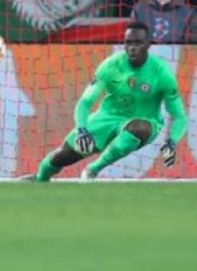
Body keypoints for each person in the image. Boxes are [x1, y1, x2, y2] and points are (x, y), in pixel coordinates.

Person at [30, 22, 186, 181]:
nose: (132, 47)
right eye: (128, 43)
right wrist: (82, 130)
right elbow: (85, 102)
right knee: (62, 156)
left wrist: (172, 142)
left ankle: (93, 169)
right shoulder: (110, 66)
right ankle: (39, 178)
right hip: (106, 118)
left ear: (148, 44)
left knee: (138, 129)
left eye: (138, 43)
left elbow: (179, 116)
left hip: (146, 121)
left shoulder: (162, 73)